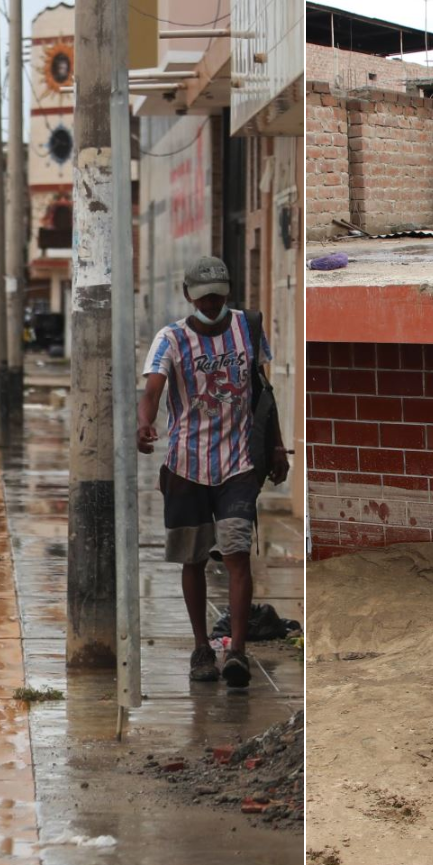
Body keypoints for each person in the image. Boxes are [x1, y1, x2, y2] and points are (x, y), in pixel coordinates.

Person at [136, 254, 289, 688]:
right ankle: (202, 647)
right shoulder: (170, 339)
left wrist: (275, 445)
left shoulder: (249, 328)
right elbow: (153, 389)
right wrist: (144, 422)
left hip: (238, 463)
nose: (210, 304)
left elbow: (263, 391)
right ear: (188, 296)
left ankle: (237, 651)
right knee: (194, 557)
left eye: (217, 297)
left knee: (238, 553)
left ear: (228, 293)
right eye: (203, 299)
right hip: (186, 466)